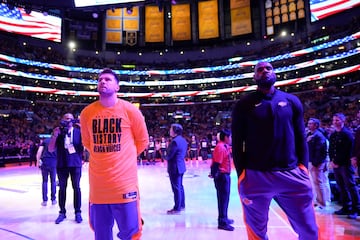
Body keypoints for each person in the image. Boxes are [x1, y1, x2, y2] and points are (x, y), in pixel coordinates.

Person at [231, 61, 318, 240]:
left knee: (309, 231)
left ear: (275, 73)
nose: (264, 71)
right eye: (260, 70)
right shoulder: (243, 104)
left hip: (292, 174)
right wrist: (242, 174)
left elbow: (301, 137)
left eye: (268, 68)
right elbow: (238, 143)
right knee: (257, 233)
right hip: (256, 176)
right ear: (255, 77)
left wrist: (303, 169)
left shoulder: (292, 101)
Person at [80, 68, 149, 240]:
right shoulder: (86, 113)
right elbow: (88, 143)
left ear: (117, 86)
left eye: (108, 79)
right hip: (99, 189)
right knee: (101, 235)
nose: (103, 81)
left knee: (131, 234)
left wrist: (123, 159)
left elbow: (143, 141)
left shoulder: (130, 110)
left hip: (124, 186)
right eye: (100, 79)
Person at [48, 113, 84, 224]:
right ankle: (62, 212)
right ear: (62, 120)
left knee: (76, 188)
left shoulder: (79, 132)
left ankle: (77, 212)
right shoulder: (58, 133)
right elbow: (50, 149)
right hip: (62, 164)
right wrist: (54, 135)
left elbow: (87, 144)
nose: (68, 121)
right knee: (62, 189)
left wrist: (83, 129)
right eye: (66, 118)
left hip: (75, 164)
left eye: (70, 119)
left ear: (73, 121)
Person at [329, 112, 359, 219]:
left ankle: (356, 209)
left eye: (337, 120)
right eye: (334, 120)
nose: (335, 122)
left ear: (343, 121)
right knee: (341, 187)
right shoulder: (333, 135)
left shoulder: (347, 134)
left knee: (351, 187)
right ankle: (346, 206)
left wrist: (337, 162)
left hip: (345, 165)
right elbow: (331, 150)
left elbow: (348, 151)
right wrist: (332, 161)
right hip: (336, 165)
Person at [210, 129, 234, 231]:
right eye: (230, 137)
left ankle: (224, 217)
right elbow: (216, 163)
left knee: (225, 199)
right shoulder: (220, 147)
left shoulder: (225, 146)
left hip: (225, 175)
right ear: (226, 137)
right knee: (223, 200)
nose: (231, 139)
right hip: (222, 176)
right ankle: (222, 222)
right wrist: (214, 174)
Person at [307, 118, 330, 209]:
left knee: (318, 182)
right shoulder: (310, 135)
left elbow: (320, 151)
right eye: (308, 123)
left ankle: (322, 203)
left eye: (310, 124)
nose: (308, 125)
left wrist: (315, 163)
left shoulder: (319, 136)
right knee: (314, 183)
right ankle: (317, 200)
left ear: (316, 125)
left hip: (316, 163)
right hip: (311, 161)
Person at [166, 123, 187, 214]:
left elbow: (169, 156)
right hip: (181, 166)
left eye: (171, 129)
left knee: (176, 188)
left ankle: (177, 208)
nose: (169, 131)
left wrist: (164, 154)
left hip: (175, 167)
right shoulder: (183, 140)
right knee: (180, 187)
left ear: (175, 131)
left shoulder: (174, 142)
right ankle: (182, 205)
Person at [36, 136, 57, 206]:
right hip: (53, 162)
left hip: (45, 162)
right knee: (53, 181)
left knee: (45, 181)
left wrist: (38, 162)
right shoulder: (57, 141)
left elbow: (39, 152)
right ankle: (53, 199)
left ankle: (44, 200)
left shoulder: (45, 141)